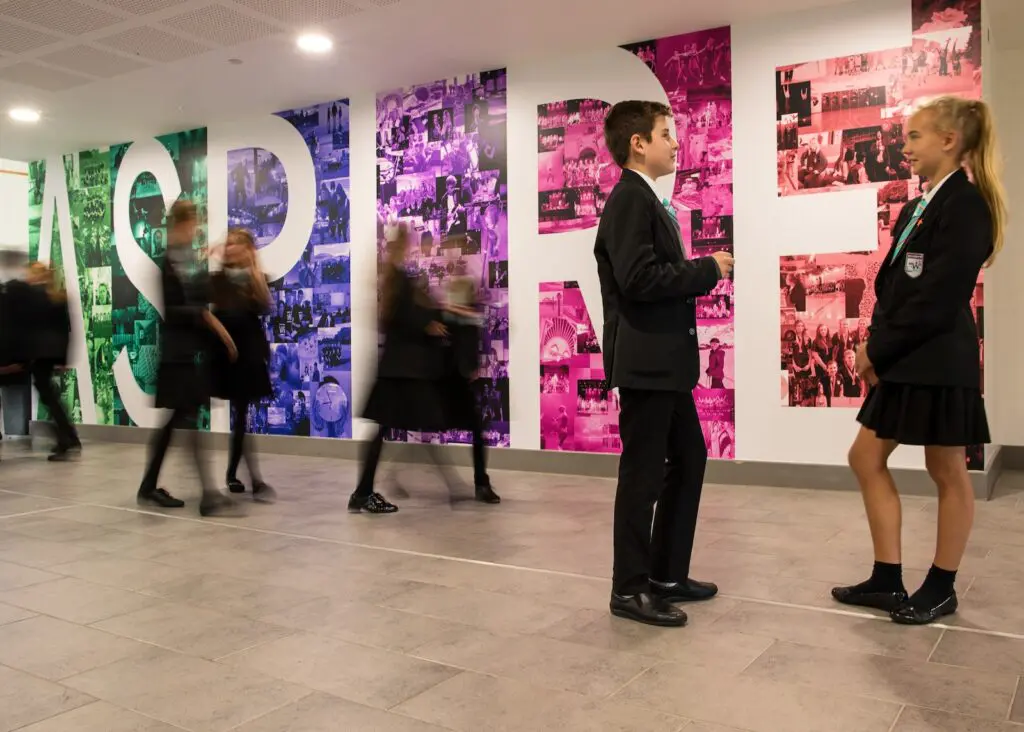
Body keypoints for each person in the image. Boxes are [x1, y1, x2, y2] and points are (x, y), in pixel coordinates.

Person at [834, 96, 1006, 626]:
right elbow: (896, 287)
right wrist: (875, 341)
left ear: (949, 141)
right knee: (865, 458)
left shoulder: (968, 207)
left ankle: (941, 585)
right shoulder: (918, 207)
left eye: (913, 137)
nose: (903, 146)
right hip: (905, 354)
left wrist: (876, 350)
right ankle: (887, 580)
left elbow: (936, 299)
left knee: (946, 468)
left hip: (937, 358)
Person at [594, 100, 733, 627]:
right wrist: (705, 270)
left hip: (665, 364)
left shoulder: (645, 199)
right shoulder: (630, 199)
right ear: (638, 143)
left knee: (689, 460)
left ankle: (667, 574)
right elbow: (638, 279)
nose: (676, 143)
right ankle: (628, 589)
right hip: (648, 363)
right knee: (643, 477)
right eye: (666, 134)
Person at [137, 200, 244, 517]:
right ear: (183, 223)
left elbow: (193, 303)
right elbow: (176, 310)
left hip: (182, 353)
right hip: (177, 354)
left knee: (175, 424)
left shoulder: (181, 260)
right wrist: (204, 311)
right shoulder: (170, 261)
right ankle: (208, 495)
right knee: (187, 422)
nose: (197, 229)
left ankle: (149, 486)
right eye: (194, 222)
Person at [350, 221, 449, 514]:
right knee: (410, 427)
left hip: (397, 368)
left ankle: (364, 491)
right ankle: (364, 491)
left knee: (389, 430)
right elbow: (402, 317)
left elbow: (393, 317)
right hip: (402, 370)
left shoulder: (393, 278)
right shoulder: (398, 278)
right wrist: (426, 323)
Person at [210, 229, 276, 502]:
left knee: (242, 415)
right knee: (240, 415)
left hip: (248, 352)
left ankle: (237, 474)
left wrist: (254, 267)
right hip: (229, 352)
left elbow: (265, 306)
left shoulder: (254, 279)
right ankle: (249, 478)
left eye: (236, 243)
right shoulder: (217, 280)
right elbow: (213, 313)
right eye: (229, 243)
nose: (230, 248)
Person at [440, 276, 500, 504]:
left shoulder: (464, 317)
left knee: (476, 431)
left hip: (456, 384)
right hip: (452, 384)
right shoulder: (456, 319)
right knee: (475, 431)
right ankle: (481, 484)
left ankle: (481, 483)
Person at [24, 262, 80, 460]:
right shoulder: (59, 296)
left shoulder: (33, 297)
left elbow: (29, 329)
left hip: (39, 353)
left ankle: (65, 438)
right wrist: (64, 357)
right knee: (50, 394)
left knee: (49, 396)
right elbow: (67, 328)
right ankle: (70, 436)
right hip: (52, 352)